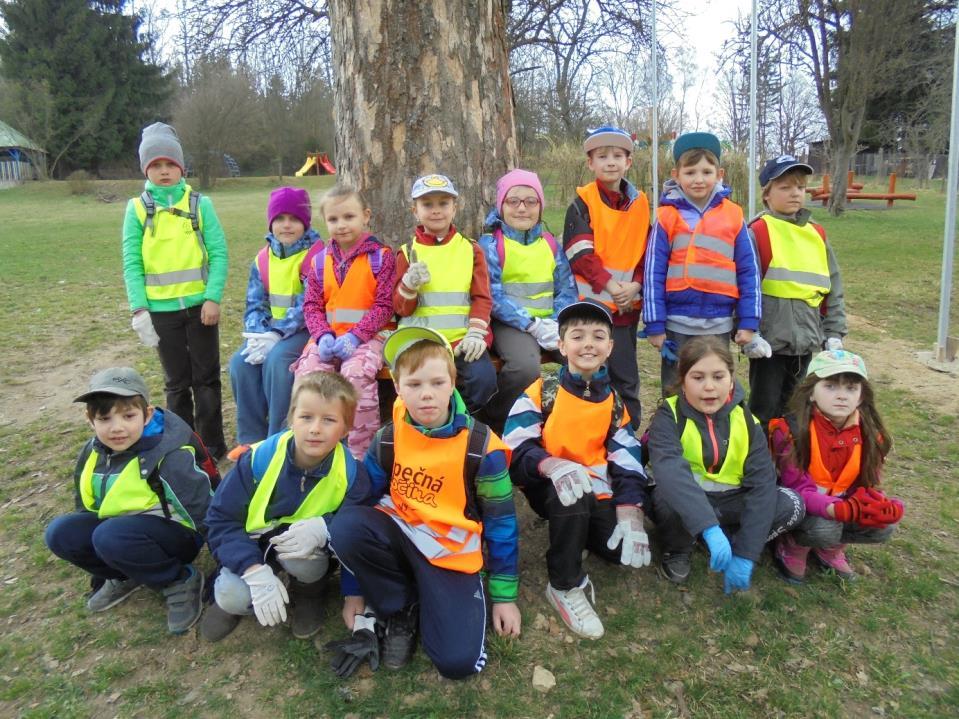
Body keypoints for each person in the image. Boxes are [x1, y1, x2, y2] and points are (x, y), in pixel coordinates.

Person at [329, 326, 521, 680]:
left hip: (450, 556)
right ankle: (400, 605)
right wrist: (353, 591)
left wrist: (505, 595)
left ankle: (433, 596)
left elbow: (502, 522)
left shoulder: (482, 446)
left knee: (457, 662)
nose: (426, 396)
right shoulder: (387, 437)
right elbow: (360, 501)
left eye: (437, 383)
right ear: (398, 388)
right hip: (401, 534)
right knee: (346, 525)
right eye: (414, 385)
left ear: (452, 383)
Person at [504, 300, 650, 639]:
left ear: (610, 348)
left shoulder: (614, 403)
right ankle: (564, 584)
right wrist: (550, 464)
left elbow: (627, 459)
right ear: (561, 344)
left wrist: (630, 510)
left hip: (597, 490)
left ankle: (576, 534)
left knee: (618, 551)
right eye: (578, 335)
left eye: (598, 336)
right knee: (573, 497)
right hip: (550, 487)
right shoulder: (543, 391)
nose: (588, 344)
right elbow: (514, 448)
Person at [202, 372, 373, 642]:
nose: (315, 428)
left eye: (329, 420)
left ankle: (309, 592)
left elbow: (358, 531)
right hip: (252, 545)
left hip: (304, 551)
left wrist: (326, 528)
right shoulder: (258, 459)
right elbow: (220, 520)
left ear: (346, 428)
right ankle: (242, 595)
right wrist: (252, 570)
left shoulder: (352, 475)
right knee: (231, 597)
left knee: (302, 560)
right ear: (291, 418)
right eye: (306, 417)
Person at [44, 367, 213, 634]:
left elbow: (202, 508)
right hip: (119, 532)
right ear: (90, 420)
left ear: (146, 415)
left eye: (128, 415)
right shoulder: (91, 451)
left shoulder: (169, 452)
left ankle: (179, 580)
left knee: (110, 536)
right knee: (60, 533)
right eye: (105, 418)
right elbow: (84, 504)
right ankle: (124, 574)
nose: (117, 427)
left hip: (176, 536)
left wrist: (225, 559)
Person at [647, 336, 804, 592]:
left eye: (718, 377)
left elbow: (762, 487)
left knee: (791, 503)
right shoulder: (669, 415)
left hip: (732, 500)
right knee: (666, 495)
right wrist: (708, 527)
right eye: (698, 378)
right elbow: (670, 472)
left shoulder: (746, 420)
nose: (709, 387)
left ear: (731, 379)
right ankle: (680, 548)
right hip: (689, 499)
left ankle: (732, 543)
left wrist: (746, 554)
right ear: (683, 381)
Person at [122, 122, 228, 459]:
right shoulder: (136, 209)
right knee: (177, 384)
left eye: (170, 165)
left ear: (181, 167)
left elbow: (220, 253)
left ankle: (211, 446)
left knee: (207, 380)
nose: (164, 172)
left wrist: (212, 297)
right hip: (161, 313)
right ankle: (181, 447)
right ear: (146, 169)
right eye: (156, 165)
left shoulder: (200, 204)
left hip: (201, 310)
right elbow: (131, 262)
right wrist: (140, 310)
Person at [643, 132, 761, 394]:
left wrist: (749, 320)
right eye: (690, 172)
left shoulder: (733, 216)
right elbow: (653, 272)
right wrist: (654, 323)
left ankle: (714, 434)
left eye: (706, 172)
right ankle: (672, 432)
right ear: (676, 174)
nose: (698, 179)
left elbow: (748, 270)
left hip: (718, 323)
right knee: (675, 387)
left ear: (719, 174)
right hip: (676, 324)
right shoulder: (666, 217)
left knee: (714, 387)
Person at [770, 350, 902, 583]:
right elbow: (798, 488)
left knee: (883, 527)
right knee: (823, 528)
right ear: (810, 392)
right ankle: (793, 543)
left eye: (851, 388)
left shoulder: (872, 435)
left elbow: (868, 483)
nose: (841, 396)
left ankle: (831, 548)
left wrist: (878, 504)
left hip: (841, 507)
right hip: (804, 508)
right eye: (830, 386)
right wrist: (836, 510)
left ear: (861, 396)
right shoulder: (791, 431)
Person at [293, 185, 396, 458]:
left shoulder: (381, 258)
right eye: (333, 219)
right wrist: (322, 336)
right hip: (328, 338)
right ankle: (312, 449)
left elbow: (385, 306)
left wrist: (355, 337)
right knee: (307, 376)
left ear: (365, 216)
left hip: (370, 337)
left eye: (349, 217)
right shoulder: (317, 262)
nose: (341, 225)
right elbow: (312, 305)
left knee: (355, 376)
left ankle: (362, 455)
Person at [746, 156, 847, 426]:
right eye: (785, 187)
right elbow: (747, 286)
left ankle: (790, 463)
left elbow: (832, 287)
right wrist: (749, 332)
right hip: (770, 344)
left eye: (800, 187)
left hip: (807, 341)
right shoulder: (758, 231)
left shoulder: (817, 234)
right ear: (767, 194)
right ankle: (760, 463)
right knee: (763, 411)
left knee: (797, 410)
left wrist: (834, 332)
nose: (795, 193)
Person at [228, 186, 323, 458]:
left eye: (294, 219)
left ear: (305, 222)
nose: (287, 225)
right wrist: (258, 335)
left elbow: (309, 304)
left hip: (307, 330)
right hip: (270, 332)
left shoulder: (316, 255)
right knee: (240, 362)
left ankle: (277, 437)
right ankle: (250, 439)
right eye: (280, 219)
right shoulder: (262, 259)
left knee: (279, 361)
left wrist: (276, 335)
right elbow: (255, 303)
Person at [564, 126, 650, 425]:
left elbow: (645, 252)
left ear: (629, 161)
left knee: (625, 377)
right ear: (591, 163)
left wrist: (636, 286)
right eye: (602, 156)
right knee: (586, 374)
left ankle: (628, 437)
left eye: (617, 156)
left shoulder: (641, 204)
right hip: (592, 308)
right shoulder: (581, 203)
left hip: (627, 308)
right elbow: (580, 254)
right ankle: (583, 431)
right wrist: (613, 287)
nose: (610, 162)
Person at [479, 168, 577, 431]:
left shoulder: (550, 244)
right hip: (510, 323)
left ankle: (570, 418)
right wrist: (531, 323)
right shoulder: (490, 245)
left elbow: (566, 288)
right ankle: (496, 418)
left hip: (551, 322)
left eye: (530, 201)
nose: (522, 208)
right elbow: (493, 295)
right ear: (501, 206)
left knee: (583, 356)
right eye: (513, 201)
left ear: (540, 207)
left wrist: (560, 322)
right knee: (524, 367)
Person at [393, 174, 498, 417]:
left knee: (484, 381)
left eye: (443, 203)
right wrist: (409, 285)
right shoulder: (407, 253)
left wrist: (476, 333)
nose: (436, 210)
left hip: (463, 342)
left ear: (455, 208)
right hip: (420, 342)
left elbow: (481, 298)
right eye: (427, 204)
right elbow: (401, 308)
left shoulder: (470, 249)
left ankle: (459, 423)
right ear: (415, 210)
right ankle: (428, 425)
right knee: (416, 386)